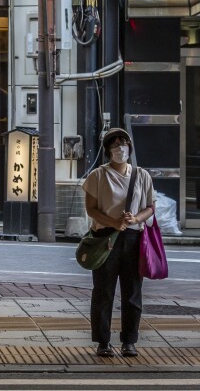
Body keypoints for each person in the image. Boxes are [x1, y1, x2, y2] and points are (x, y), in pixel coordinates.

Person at [83, 127, 154, 358]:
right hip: (105, 238)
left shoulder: (142, 175)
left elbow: (151, 207)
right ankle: (103, 341)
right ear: (107, 150)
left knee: (133, 292)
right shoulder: (98, 175)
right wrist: (114, 223)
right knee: (103, 292)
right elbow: (91, 208)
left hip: (134, 238)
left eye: (123, 142)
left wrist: (135, 218)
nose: (120, 147)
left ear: (130, 147)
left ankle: (129, 341)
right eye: (114, 144)